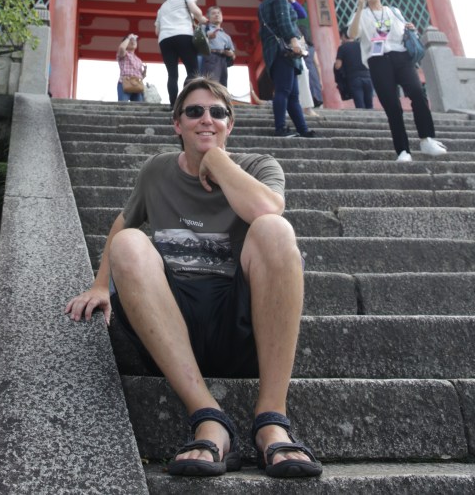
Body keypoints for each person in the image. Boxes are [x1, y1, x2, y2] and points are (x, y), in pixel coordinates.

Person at [66, 77, 322, 479]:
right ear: (177, 123)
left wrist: (217, 161)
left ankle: (272, 419)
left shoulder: (259, 166)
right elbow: (123, 222)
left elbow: (266, 209)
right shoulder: (157, 171)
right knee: (130, 242)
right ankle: (207, 417)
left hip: (240, 326)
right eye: (194, 111)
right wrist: (100, 285)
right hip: (170, 327)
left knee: (275, 230)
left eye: (218, 112)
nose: (206, 119)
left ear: (230, 124)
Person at [347, 0, 447, 162]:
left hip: (401, 56)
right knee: (392, 105)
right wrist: (360, 6)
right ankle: (402, 150)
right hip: (377, 60)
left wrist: (410, 29)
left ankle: (426, 139)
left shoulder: (394, 11)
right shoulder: (361, 15)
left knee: (417, 93)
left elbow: (403, 33)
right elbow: (352, 34)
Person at [258, 0, 315, 139]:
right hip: (284, 50)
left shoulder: (264, 3)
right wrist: (294, 41)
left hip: (274, 50)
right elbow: (284, 23)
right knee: (284, 91)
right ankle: (280, 127)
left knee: (291, 93)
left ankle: (303, 129)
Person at [155, 0, 207, 106]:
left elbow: (157, 31)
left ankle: (173, 105)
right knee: (193, 71)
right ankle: (187, 98)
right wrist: (202, 19)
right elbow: (197, 12)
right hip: (183, 35)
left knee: (172, 74)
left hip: (165, 40)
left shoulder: (162, 7)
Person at [334, 32, 374, 109]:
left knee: (360, 105)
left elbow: (338, 66)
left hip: (354, 78)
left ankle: (363, 117)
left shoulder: (342, 48)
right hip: (368, 77)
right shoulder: (362, 45)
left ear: (343, 36)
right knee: (369, 105)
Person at [201, 6, 236, 87]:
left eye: (219, 13)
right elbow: (196, 41)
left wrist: (231, 53)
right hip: (210, 57)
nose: (217, 15)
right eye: (213, 13)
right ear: (208, 17)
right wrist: (207, 36)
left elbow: (233, 55)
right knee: (212, 85)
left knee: (222, 87)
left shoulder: (227, 36)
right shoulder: (204, 28)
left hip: (223, 60)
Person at [116, 33, 147, 102]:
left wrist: (144, 71)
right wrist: (128, 37)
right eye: (131, 41)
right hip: (125, 82)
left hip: (137, 84)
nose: (133, 42)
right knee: (123, 106)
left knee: (139, 107)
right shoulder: (124, 54)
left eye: (134, 41)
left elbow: (142, 76)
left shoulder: (138, 59)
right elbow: (122, 48)